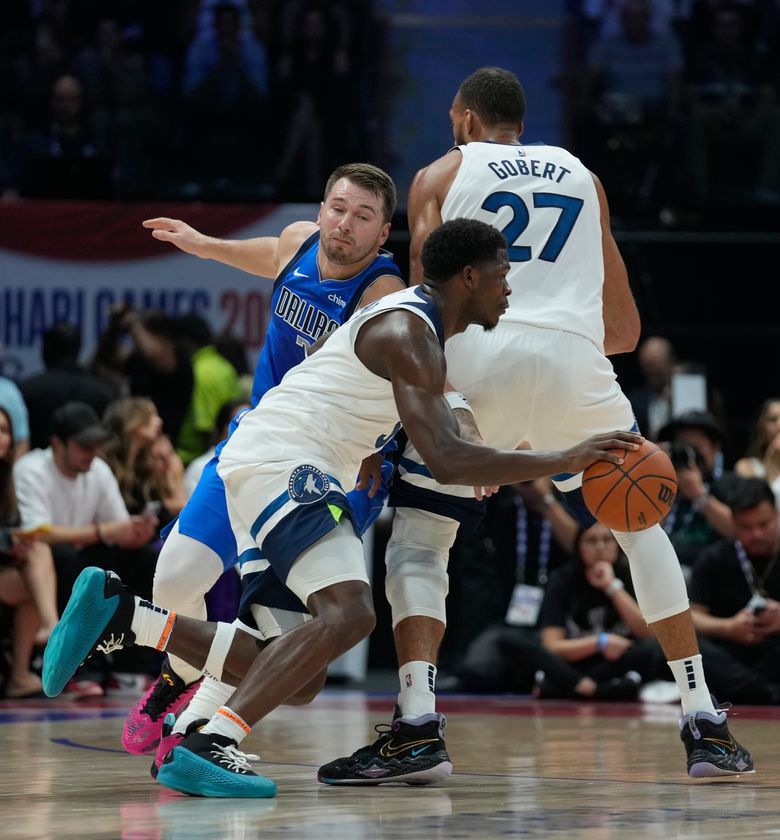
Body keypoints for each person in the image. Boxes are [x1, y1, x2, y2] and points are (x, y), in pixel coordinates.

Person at [42, 217, 644, 798]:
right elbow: (448, 459)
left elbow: (440, 437)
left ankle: (127, 618)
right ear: (467, 277)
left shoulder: (420, 330)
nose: (509, 286)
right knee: (351, 613)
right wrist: (567, 454)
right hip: (287, 459)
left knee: (300, 676)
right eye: (501, 272)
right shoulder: (410, 331)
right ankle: (205, 744)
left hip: (270, 460)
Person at [321, 66, 752, 783]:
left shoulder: (441, 171)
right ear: (521, 122)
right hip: (575, 362)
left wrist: (476, 434)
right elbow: (623, 328)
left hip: (480, 352)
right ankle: (703, 718)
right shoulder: (584, 176)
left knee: (423, 543)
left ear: (462, 117)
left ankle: (418, 726)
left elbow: (434, 309)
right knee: (641, 528)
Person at [120, 163, 406, 760]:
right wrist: (202, 246)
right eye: (338, 208)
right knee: (175, 575)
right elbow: (267, 256)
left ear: (384, 234)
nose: (344, 225)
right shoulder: (299, 241)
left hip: (327, 466)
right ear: (322, 207)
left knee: (285, 638)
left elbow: (405, 385)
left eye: (362, 217)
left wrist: (392, 446)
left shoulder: (381, 296)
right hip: (259, 442)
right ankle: (180, 678)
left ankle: (203, 726)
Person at [689, 477, 780, 705]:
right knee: (689, 649)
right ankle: (762, 692)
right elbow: (692, 617)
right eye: (746, 527)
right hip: (733, 655)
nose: (756, 534)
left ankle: (754, 691)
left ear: (777, 515)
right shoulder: (715, 557)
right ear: (732, 521)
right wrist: (728, 627)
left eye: (764, 525)